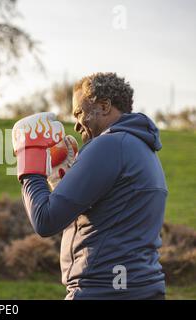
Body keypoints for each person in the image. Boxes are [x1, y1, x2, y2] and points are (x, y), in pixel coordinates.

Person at [12, 72, 167, 299]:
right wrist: (61, 184)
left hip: (103, 290)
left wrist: (29, 161)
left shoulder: (108, 145)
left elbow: (45, 220)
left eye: (79, 113)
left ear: (104, 106)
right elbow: (111, 219)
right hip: (139, 287)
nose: (75, 125)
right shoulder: (141, 147)